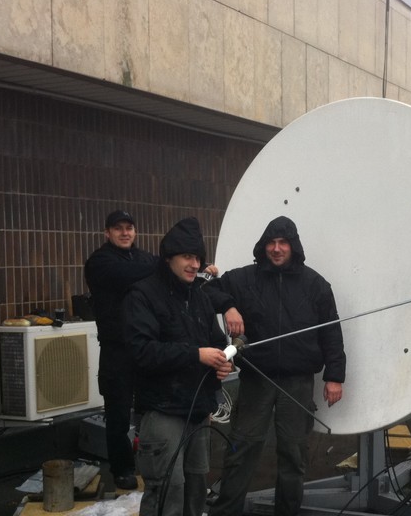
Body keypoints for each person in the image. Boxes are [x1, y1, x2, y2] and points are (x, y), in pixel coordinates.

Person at [205, 215, 346, 516]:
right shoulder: (244, 279)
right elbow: (208, 290)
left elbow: (331, 332)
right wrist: (228, 305)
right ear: (263, 246)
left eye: (283, 243)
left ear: (293, 246)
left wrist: (335, 376)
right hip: (257, 378)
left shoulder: (316, 285)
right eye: (271, 242)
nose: (277, 249)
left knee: (293, 454)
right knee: (242, 449)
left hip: (298, 382)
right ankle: (224, 512)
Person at [123, 217, 232, 516]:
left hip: (198, 410)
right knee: (168, 489)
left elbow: (217, 341)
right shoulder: (143, 295)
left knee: (196, 488)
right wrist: (195, 355)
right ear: (168, 257)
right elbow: (142, 352)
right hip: (162, 410)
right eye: (187, 257)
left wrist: (223, 361)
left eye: (198, 258)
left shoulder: (199, 295)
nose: (194, 264)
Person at [84, 209, 155, 490]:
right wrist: (168, 265)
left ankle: (151, 462)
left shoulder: (145, 259)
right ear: (107, 233)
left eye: (129, 228)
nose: (125, 233)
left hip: (146, 348)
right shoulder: (99, 262)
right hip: (116, 350)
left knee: (151, 408)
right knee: (118, 413)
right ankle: (122, 468)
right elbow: (129, 274)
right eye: (118, 228)